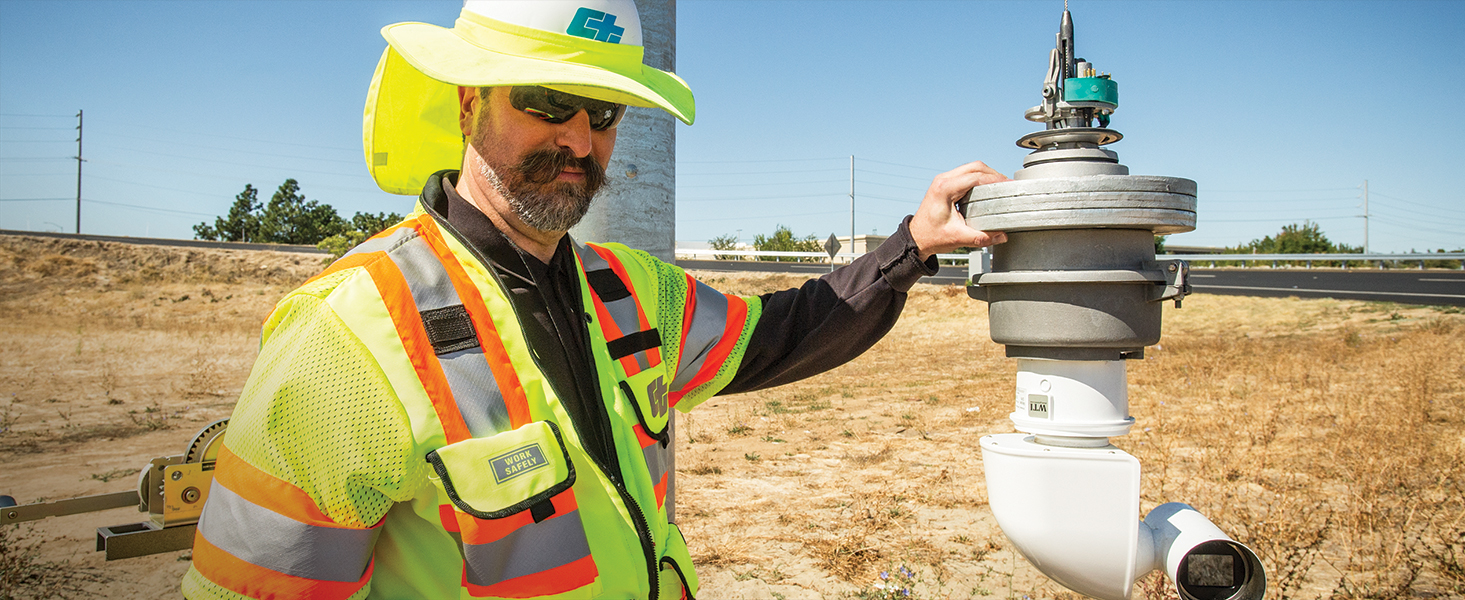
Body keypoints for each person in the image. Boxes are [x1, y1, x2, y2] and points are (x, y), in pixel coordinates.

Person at [181, 1, 1007, 598]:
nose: (579, 139)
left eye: (603, 111)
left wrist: (913, 246)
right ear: (469, 104)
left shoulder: (629, 288)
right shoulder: (347, 332)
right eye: (545, 102)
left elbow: (782, 333)